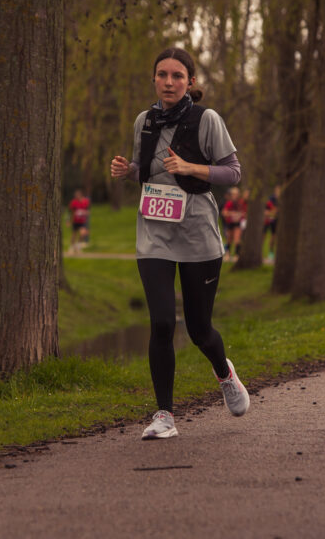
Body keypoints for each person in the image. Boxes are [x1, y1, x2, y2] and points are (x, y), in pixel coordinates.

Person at [110, 46, 249, 439]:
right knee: (161, 323)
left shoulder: (206, 119)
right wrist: (128, 169)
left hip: (197, 233)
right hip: (154, 231)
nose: (168, 82)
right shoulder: (144, 121)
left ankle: (224, 374)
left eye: (176, 76)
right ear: (154, 79)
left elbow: (233, 172)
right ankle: (164, 416)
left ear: (190, 82)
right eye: (162, 75)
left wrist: (191, 167)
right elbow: (148, 169)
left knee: (200, 329)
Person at [221, 186, 246, 260]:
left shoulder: (241, 202)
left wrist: (239, 215)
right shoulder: (229, 203)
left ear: (238, 194)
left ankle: (237, 254)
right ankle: (227, 253)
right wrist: (232, 214)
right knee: (229, 238)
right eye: (233, 194)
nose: (234, 196)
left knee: (237, 238)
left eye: (236, 194)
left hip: (238, 223)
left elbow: (245, 212)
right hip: (229, 222)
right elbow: (224, 212)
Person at [67, 189, 91, 254]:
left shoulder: (85, 201)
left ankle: (78, 246)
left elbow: (88, 211)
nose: (76, 197)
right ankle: (71, 247)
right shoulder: (73, 202)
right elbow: (70, 212)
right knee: (74, 234)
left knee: (83, 233)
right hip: (75, 220)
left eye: (77, 195)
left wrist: (83, 212)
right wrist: (68, 220)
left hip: (82, 221)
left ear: (80, 195)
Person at [263, 186, 279, 264]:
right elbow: (266, 211)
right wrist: (273, 212)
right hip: (267, 220)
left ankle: (271, 253)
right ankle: (259, 252)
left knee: (274, 237)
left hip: (275, 221)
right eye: (277, 190)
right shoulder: (271, 199)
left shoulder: (282, 199)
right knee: (263, 236)